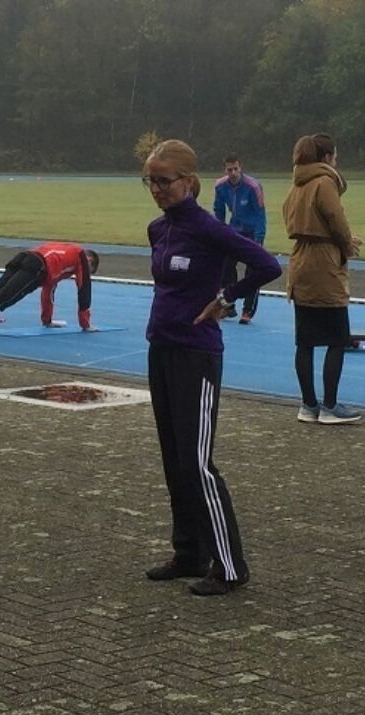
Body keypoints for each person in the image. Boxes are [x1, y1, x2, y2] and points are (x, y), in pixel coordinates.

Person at [139, 139, 280, 596]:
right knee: (174, 459)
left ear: (189, 182)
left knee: (198, 464)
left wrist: (227, 297)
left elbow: (266, 265)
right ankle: (188, 552)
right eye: (150, 181)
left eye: (165, 181)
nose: (157, 189)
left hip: (197, 356)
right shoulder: (158, 230)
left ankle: (230, 565)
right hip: (160, 350)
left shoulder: (207, 228)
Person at [284, 133, 364, 425]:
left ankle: (308, 404)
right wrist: (346, 244)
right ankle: (330, 405)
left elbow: (293, 220)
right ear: (328, 157)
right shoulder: (324, 182)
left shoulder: (297, 185)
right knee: (336, 338)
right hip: (324, 265)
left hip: (300, 261)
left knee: (304, 341)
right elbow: (336, 219)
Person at [0, 243, 100, 338]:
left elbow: (48, 290)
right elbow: (84, 289)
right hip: (38, 266)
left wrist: (47, 320)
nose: (77, 274)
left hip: (25, 256)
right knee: (4, 296)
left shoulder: (66, 252)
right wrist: (85, 324)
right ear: (89, 262)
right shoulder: (80, 258)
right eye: (88, 271)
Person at [213, 155, 268, 324]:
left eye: (235, 169)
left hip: (252, 233)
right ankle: (228, 306)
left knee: (253, 272)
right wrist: (220, 231)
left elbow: (260, 213)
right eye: (229, 170)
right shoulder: (220, 186)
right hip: (234, 231)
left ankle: (248, 311)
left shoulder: (253, 187)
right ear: (225, 170)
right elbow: (219, 209)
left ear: (240, 167)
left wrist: (259, 239)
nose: (233, 173)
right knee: (225, 267)